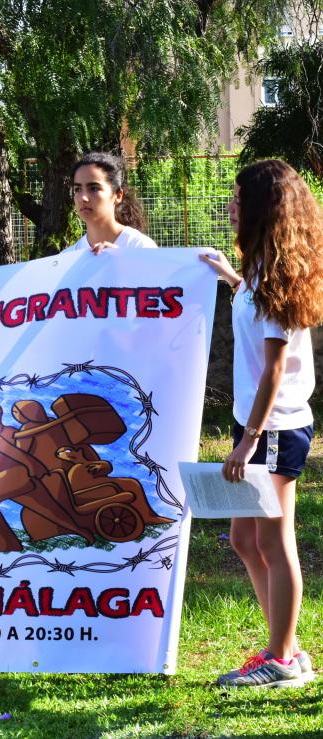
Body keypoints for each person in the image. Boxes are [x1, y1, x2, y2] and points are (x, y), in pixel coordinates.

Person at [200, 159, 323, 689]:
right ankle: (284, 645)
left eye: (235, 199)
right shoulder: (257, 271)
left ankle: (282, 659)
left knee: (275, 543)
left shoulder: (275, 279)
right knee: (242, 541)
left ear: (260, 208)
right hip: (256, 427)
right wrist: (229, 276)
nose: (229, 207)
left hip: (272, 429)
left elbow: (273, 369)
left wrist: (247, 442)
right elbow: (254, 318)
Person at [64, 152, 157, 254]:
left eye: (94, 188)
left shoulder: (141, 247)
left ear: (118, 195)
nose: (83, 198)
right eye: (77, 189)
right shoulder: (68, 257)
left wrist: (121, 260)